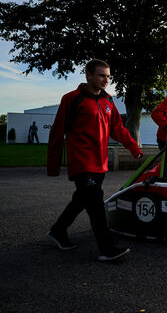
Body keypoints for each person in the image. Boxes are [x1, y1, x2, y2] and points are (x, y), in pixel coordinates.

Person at [47, 59, 143, 262]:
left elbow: (118, 128)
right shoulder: (71, 99)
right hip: (82, 163)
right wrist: (53, 165)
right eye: (101, 75)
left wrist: (134, 148)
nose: (106, 80)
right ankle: (107, 249)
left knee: (81, 200)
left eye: (108, 76)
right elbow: (57, 132)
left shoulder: (108, 101)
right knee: (96, 204)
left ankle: (58, 231)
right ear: (88, 75)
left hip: (100, 164)